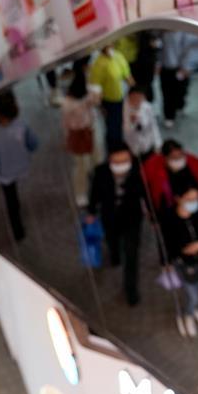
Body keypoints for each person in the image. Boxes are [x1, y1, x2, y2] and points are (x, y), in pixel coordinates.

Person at [88, 143, 147, 306]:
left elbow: (144, 192)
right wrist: (91, 212)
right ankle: (115, 255)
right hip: (110, 216)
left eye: (125, 161)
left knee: (132, 254)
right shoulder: (101, 172)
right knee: (112, 240)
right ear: (110, 160)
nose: (122, 165)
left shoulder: (138, 170)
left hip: (132, 217)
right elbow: (94, 193)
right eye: (117, 161)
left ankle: (131, 290)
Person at [0, 92, 39, 242]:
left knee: (10, 199)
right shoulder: (23, 126)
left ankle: (17, 231)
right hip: (22, 166)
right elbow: (33, 144)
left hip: (4, 173)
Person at [162, 187, 198, 338]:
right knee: (193, 295)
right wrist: (168, 261)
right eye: (190, 199)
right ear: (178, 198)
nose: (194, 202)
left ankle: (194, 309)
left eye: (197, 198)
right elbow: (165, 243)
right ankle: (189, 314)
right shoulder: (169, 218)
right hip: (182, 263)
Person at [143, 139, 198, 215]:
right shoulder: (156, 173)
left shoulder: (195, 165)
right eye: (174, 157)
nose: (178, 159)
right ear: (165, 158)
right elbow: (156, 197)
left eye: (180, 155)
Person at [62, 72, 100, 205]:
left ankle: (97, 186)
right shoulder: (68, 103)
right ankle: (80, 193)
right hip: (77, 133)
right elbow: (66, 123)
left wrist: (93, 98)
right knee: (80, 166)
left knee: (96, 160)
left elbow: (97, 101)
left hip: (90, 129)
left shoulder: (88, 91)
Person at [88, 44, 133, 151]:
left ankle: (120, 145)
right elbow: (95, 87)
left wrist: (133, 89)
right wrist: (99, 106)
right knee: (112, 127)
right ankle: (113, 149)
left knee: (121, 122)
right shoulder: (98, 64)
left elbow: (127, 74)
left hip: (122, 97)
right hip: (109, 101)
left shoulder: (118, 56)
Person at [123, 86, 161, 160]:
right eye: (134, 98)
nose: (137, 100)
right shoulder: (123, 109)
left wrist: (158, 144)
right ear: (129, 96)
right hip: (131, 145)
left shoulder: (147, 107)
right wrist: (132, 123)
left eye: (140, 98)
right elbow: (125, 131)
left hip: (148, 144)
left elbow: (153, 126)